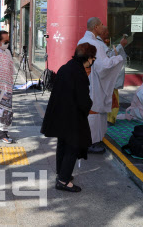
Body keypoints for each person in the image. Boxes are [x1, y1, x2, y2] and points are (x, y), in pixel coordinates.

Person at [41, 43, 95, 193]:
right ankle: (63, 181)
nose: (93, 60)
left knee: (62, 144)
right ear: (88, 58)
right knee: (73, 146)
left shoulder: (66, 67)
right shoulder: (79, 73)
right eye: (93, 57)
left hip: (60, 114)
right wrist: (89, 106)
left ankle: (61, 174)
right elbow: (83, 100)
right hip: (72, 117)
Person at [77, 17, 127, 153]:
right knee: (93, 111)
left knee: (89, 111)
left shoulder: (82, 41)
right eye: (101, 25)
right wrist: (118, 59)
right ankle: (90, 142)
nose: (103, 27)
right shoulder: (95, 44)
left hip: (84, 80)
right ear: (96, 27)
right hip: (94, 81)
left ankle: (90, 139)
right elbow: (103, 66)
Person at [103, 31, 126, 125]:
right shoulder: (99, 45)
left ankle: (111, 119)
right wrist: (120, 46)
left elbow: (112, 57)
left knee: (113, 100)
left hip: (110, 79)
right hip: (105, 78)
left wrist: (120, 46)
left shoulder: (103, 45)